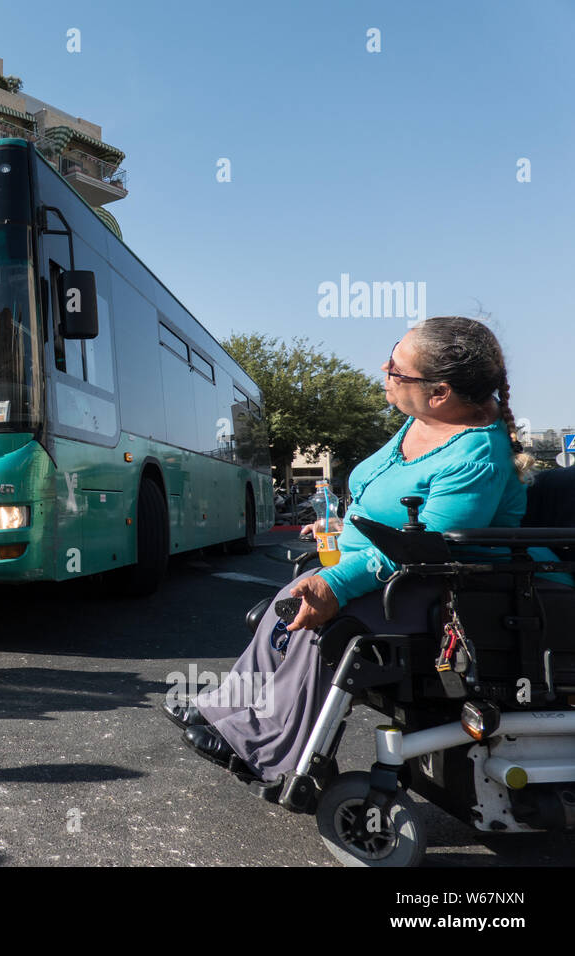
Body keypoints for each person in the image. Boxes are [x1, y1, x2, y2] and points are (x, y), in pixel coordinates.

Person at [171, 316, 555, 782]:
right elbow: (387, 500)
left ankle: (265, 748)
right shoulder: (424, 419)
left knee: (327, 627)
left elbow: (426, 550)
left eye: (397, 368)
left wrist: (336, 583)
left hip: (449, 589)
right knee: (285, 603)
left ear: (439, 393)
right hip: (398, 571)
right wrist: (341, 524)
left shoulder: (476, 455)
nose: (384, 368)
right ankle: (227, 708)